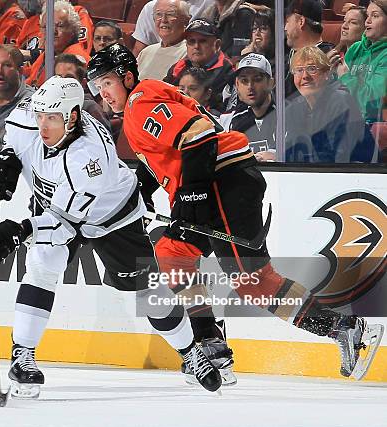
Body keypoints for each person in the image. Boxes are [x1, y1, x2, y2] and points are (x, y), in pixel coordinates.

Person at [87, 43, 384, 382]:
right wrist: (145, 191)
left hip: (223, 184)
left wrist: (192, 194)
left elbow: (198, 135)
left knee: (254, 282)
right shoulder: (143, 102)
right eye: (97, 87)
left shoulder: (140, 102)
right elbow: (164, 156)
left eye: (107, 83)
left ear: (126, 77)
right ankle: (211, 345)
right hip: (218, 184)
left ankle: (344, 328)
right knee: (172, 254)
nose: (102, 93)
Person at [0, 75, 223, 398]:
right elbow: (13, 144)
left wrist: (17, 232)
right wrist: (5, 164)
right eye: (40, 117)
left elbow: (63, 223)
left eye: (52, 118)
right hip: (54, 201)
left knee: (146, 290)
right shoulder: (26, 118)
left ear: (73, 116)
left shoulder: (91, 158)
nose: (43, 126)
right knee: (43, 264)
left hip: (112, 215)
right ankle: (22, 355)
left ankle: (190, 353)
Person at [285, 46, 375, 163]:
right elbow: (291, 151)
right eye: (299, 70)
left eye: (312, 69)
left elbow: (339, 158)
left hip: (355, 175)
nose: (305, 76)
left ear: (326, 74)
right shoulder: (293, 109)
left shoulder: (342, 102)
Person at [164, 18, 235, 113]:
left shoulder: (228, 72)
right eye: (191, 41)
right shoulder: (178, 67)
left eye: (202, 41)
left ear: (217, 45)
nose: (196, 46)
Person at [336, 0, 387, 125]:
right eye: (368, 15)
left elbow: (372, 104)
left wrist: (346, 77)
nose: (367, 21)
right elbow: (336, 91)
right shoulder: (356, 48)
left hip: (372, 127)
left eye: (375, 16)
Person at [220, 53, 276, 161]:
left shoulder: (287, 115)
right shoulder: (227, 119)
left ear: (271, 83)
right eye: (244, 81)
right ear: (237, 85)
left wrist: (278, 156)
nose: (250, 87)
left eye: (257, 79)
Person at [25, 0, 90, 87]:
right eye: (46, 27)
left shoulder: (76, 60)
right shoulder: (48, 54)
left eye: (60, 26)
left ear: (73, 30)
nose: (52, 31)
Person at [284, 0, 335, 97]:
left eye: (287, 21)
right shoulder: (289, 51)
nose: (285, 28)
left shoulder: (326, 57)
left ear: (301, 22)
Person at [54, 53, 112, 131]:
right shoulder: (48, 107)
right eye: (59, 77)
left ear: (82, 83)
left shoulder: (91, 109)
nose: (63, 82)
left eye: (70, 78)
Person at [136, 0, 190, 81]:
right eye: (158, 14)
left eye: (170, 14)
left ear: (186, 20)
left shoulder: (190, 52)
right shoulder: (146, 52)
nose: (164, 20)